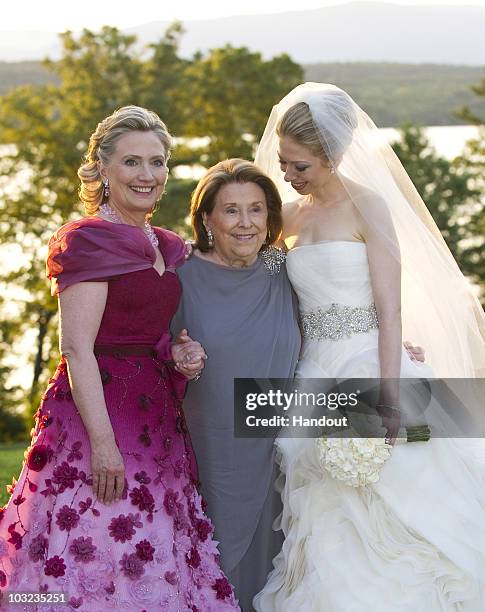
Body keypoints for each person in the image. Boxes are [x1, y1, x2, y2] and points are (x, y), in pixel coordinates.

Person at [252, 83, 485, 611]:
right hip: (311, 370)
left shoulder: (368, 206)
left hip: (367, 360)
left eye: (300, 166)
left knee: (402, 495)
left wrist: (390, 392)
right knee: (321, 505)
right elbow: (258, 288)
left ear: (332, 157)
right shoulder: (286, 217)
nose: (287, 174)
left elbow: (390, 307)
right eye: (285, 163)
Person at [0, 106, 239, 611]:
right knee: (99, 544)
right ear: (102, 170)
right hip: (97, 418)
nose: (147, 175)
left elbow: (147, 332)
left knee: (153, 545)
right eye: (132, 162)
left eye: (157, 162)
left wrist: (178, 353)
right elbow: (76, 348)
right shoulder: (87, 240)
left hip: (156, 418)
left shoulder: (168, 245)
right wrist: (104, 446)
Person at [171, 158, 301, 612]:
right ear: (206, 218)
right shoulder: (179, 273)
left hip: (281, 446)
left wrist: (397, 346)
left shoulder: (286, 269)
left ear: (270, 217)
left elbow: (336, 319)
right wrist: (177, 355)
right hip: (213, 448)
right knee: (217, 559)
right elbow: (152, 348)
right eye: (231, 211)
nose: (245, 223)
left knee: (279, 561)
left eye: (256, 209)